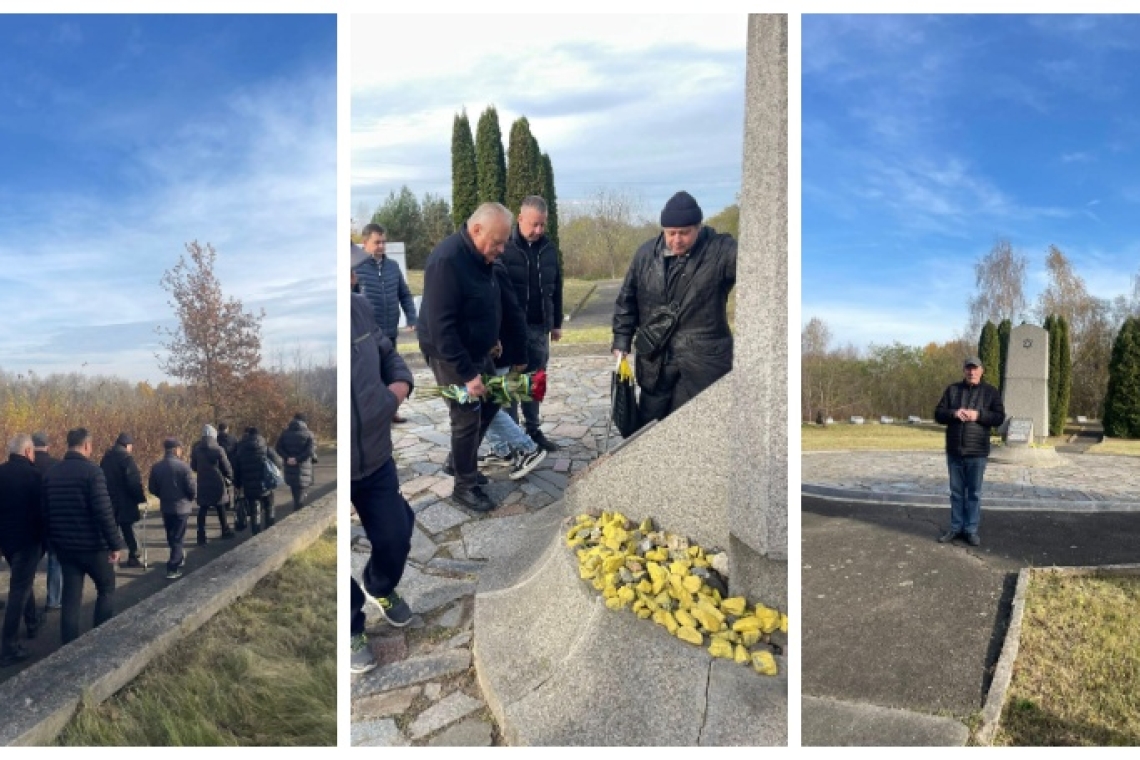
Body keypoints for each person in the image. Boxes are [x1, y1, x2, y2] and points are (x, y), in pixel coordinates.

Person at [418, 202, 527, 512]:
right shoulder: (447, 261)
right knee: (466, 414)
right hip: (449, 354)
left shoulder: (482, 257)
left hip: (478, 349)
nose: (502, 250)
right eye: (497, 242)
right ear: (476, 230)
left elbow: (485, 302)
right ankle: (464, 486)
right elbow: (441, 327)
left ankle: (458, 462)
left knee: (492, 400)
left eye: (504, 242)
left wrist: (492, 337)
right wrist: (467, 374)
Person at [612, 190, 738, 423]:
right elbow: (627, 300)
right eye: (671, 233)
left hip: (703, 364)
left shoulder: (722, 251)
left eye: (684, 233)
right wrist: (621, 339)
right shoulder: (645, 255)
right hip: (655, 363)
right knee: (649, 428)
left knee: (696, 428)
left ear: (698, 227)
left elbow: (757, 265)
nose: (677, 239)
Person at [351, 289, 416, 674]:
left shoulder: (358, 306)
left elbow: (386, 351)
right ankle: (350, 626)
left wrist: (400, 385)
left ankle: (379, 585)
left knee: (397, 533)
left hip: (376, 454)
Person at [41, 428, 125, 645]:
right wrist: (115, 544)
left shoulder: (51, 473)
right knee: (106, 588)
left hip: (66, 548)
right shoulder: (93, 472)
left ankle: (69, 645)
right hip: (94, 546)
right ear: (87, 445)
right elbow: (103, 511)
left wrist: (52, 543)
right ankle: (99, 640)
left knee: (71, 597)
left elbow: (45, 513)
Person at [499, 195, 563, 451]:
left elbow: (556, 287)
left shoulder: (549, 250)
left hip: (539, 327)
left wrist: (556, 322)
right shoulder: (505, 248)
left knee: (535, 382)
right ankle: (515, 437)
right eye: (534, 224)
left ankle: (534, 430)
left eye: (542, 224)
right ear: (520, 218)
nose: (538, 230)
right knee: (512, 385)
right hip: (511, 331)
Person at [934, 356, 1006, 547]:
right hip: (954, 451)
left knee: (974, 493)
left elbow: (999, 417)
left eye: (975, 368)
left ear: (981, 370)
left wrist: (978, 415)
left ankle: (971, 530)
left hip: (977, 451)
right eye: (968, 368)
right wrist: (953, 413)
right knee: (956, 493)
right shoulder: (952, 390)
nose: (971, 372)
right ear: (964, 370)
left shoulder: (990, 392)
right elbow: (938, 414)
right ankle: (956, 527)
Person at [354, 223, 417, 424]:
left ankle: (391, 410)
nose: (381, 246)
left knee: (391, 371)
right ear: (365, 243)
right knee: (374, 374)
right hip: (368, 333)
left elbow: (404, 294)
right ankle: (374, 414)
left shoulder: (393, 267)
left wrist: (412, 317)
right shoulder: (356, 268)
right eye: (377, 242)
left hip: (390, 331)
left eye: (383, 242)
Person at [0, 434, 44, 665]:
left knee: (23, 582)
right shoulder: (34, 475)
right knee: (18, 591)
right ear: (27, 451)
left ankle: (33, 621)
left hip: (6, 541)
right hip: (28, 540)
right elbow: (42, 511)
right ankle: (9, 647)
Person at [148, 438, 197, 580]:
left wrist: (163, 495)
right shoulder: (184, 467)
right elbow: (191, 488)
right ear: (176, 450)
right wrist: (189, 498)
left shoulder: (157, 467)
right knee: (178, 537)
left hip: (166, 507)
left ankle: (178, 556)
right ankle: (173, 566)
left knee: (171, 535)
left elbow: (152, 488)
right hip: (182, 507)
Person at [99, 433, 147, 568]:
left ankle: (112, 560)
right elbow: (134, 482)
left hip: (109, 500)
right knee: (130, 531)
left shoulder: (106, 458)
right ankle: (134, 557)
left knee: (111, 531)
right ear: (127, 445)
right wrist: (140, 498)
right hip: (126, 501)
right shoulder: (127, 459)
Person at [31, 432, 62, 611]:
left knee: (28, 564)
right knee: (55, 560)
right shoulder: (56, 465)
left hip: (29, 521)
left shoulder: (27, 464)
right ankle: (53, 599)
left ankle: (25, 598)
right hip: (51, 520)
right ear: (47, 446)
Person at [234, 426, 283, 535]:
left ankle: (256, 533)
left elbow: (236, 469)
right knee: (269, 507)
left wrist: (237, 485)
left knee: (254, 511)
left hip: (249, 486)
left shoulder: (241, 450)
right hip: (265, 484)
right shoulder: (266, 449)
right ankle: (269, 530)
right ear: (259, 435)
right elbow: (279, 462)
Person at [191, 425, 235, 545]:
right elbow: (226, 466)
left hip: (202, 481)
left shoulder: (197, 449)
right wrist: (229, 477)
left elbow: (193, 466)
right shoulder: (218, 449)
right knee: (220, 506)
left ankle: (201, 536)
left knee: (203, 508)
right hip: (217, 481)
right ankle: (225, 530)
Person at [276, 413, 318, 511]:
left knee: (295, 489)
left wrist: (287, 458)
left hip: (289, 466)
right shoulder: (309, 434)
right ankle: (298, 511)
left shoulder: (285, 433)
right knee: (301, 491)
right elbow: (310, 451)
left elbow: (278, 448)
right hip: (303, 466)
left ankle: (298, 507)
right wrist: (297, 459)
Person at [216, 423, 244, 531]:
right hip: (233, 464)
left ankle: (226, 503)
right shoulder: (233, 438)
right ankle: (236, 502)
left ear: (219, 429)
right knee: (235, 485)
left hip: (220, 465)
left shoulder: (216, 439)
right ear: (227, 429)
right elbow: (238, 451)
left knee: (224, 485)